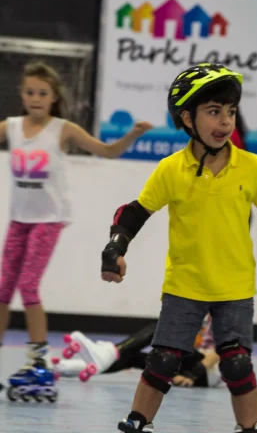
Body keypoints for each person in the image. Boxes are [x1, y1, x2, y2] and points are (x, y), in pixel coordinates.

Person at [93, 62, 257, 433]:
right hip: (184, 285)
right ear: (187, 118)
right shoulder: (172, 169)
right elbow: (133, 212)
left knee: (236, 364)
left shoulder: (250, 166)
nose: (225, 121)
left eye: (230, 111)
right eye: (213, 111)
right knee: (163, 361)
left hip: (234, 287)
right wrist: (116, 248)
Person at [0, 61, 152, 401]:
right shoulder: (11, 127)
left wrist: (133, 135)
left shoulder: (62, 130)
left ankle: (37, 361)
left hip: (48, 221)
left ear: (53, 97)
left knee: (28, 286)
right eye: (30, 92)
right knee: (3, 289)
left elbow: (107, 152)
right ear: (21, 94)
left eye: (43, 93)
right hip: (19, 221)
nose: (35, 98)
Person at [53, 315, 222, 388]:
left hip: (207, 371)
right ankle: (70, 368)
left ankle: (111, 351)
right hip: (199, 369)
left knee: (159, 329)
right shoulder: (207, 313)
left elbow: (219, 351)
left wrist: (193, 374)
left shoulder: (221, 313)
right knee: (133, 358)